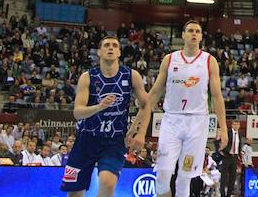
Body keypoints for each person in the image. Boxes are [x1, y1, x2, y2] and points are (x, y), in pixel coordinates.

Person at [138, 21, 228, 197]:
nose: (194, 34)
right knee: (162, 173)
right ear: (183, 35)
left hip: (197, 122)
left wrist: (223, 127)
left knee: (184, 177)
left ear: (201, 36)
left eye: (197, 31)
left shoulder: (209, 61)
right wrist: (139, 124)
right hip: (171, 120)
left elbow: (217, 96)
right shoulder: (170, 59)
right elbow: (154, 93)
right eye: (190, 31)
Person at [60, 35, 150, 197]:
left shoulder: (131, 75)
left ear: (119, 52)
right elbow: (78, 112)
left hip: (114, 140)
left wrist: (140, 132)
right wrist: (100, 106)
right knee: (74, 193)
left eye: (115, 45)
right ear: (99, 52)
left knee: (107, 183)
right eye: (107, 45)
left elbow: (147, 104)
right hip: (86, 139)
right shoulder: (87, 77)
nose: (111, 48)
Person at [220, 121, 242, 197]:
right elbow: (217, 141)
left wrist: (239, 155)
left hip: (235, 157)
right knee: (224, 177)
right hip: (227, 156)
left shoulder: (240, 133)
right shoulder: (228, 132)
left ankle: (229, 194)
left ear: (239, 126)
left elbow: (239, 145)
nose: (236, 126)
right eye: (234, 124)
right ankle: (222, 194)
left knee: (233, 177)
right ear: (232, 125)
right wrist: (220, 150)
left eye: (237, 124)